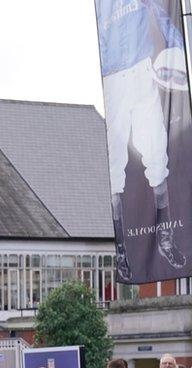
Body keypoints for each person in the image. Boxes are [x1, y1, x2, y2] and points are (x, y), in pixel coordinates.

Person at [96, 0, 188, 279]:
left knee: (157, 153)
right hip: (113, 80)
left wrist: (179, 50)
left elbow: (162, 14)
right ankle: (122, 249)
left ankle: (165, 239)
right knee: (115, 165)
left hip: (141, 71)